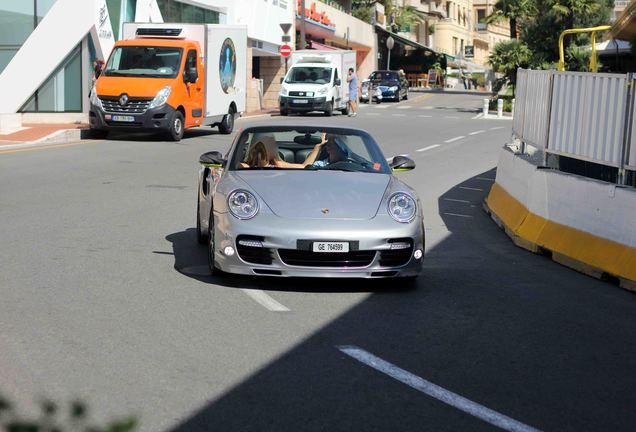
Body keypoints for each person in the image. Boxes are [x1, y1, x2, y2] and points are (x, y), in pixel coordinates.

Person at [239, 135, 326, 169]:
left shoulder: (278, 165)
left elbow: (304, 166)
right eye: (259, 146)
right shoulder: (244, 167)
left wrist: (317, 147)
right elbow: (227, 165)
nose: (262, 150)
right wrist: (239, 140)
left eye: (270, 143)